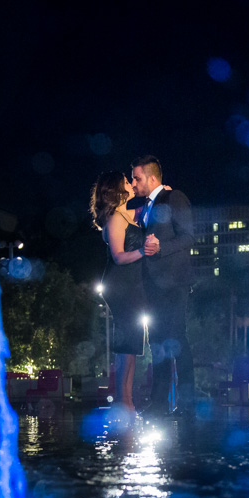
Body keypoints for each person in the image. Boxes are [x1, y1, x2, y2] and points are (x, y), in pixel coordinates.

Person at [130, 155, 195, 416]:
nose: (133, 183)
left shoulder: (174, 198)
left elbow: (189, 237)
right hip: (152, 285)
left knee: (177, 338)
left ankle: (187, 403)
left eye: (137, 178)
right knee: (157, 342)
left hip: (174, 283)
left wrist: (161, 247)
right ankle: (159, 403)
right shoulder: (145, 205)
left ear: (152, 178)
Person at [89, 171, 157, 411]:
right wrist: (143, 252)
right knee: (127, 343)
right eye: (127, 182)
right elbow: (118, 256)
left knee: (131, 343)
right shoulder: (116, 218)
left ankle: (126, 400)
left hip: (132, 284)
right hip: (121, 284)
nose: (131, 184)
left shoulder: (127, 213)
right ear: (116, 189)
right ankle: (124, 401)